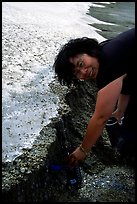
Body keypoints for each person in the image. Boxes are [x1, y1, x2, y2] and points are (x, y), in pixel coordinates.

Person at [53, 27, 136, 167]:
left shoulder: (110, 58)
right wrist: (120, 110)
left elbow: (101, 117)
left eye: (81, 64)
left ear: (88, 52)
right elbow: (127, 80)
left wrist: (83, 150)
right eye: (76, 74)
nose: (83, 73)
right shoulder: (105, 53)